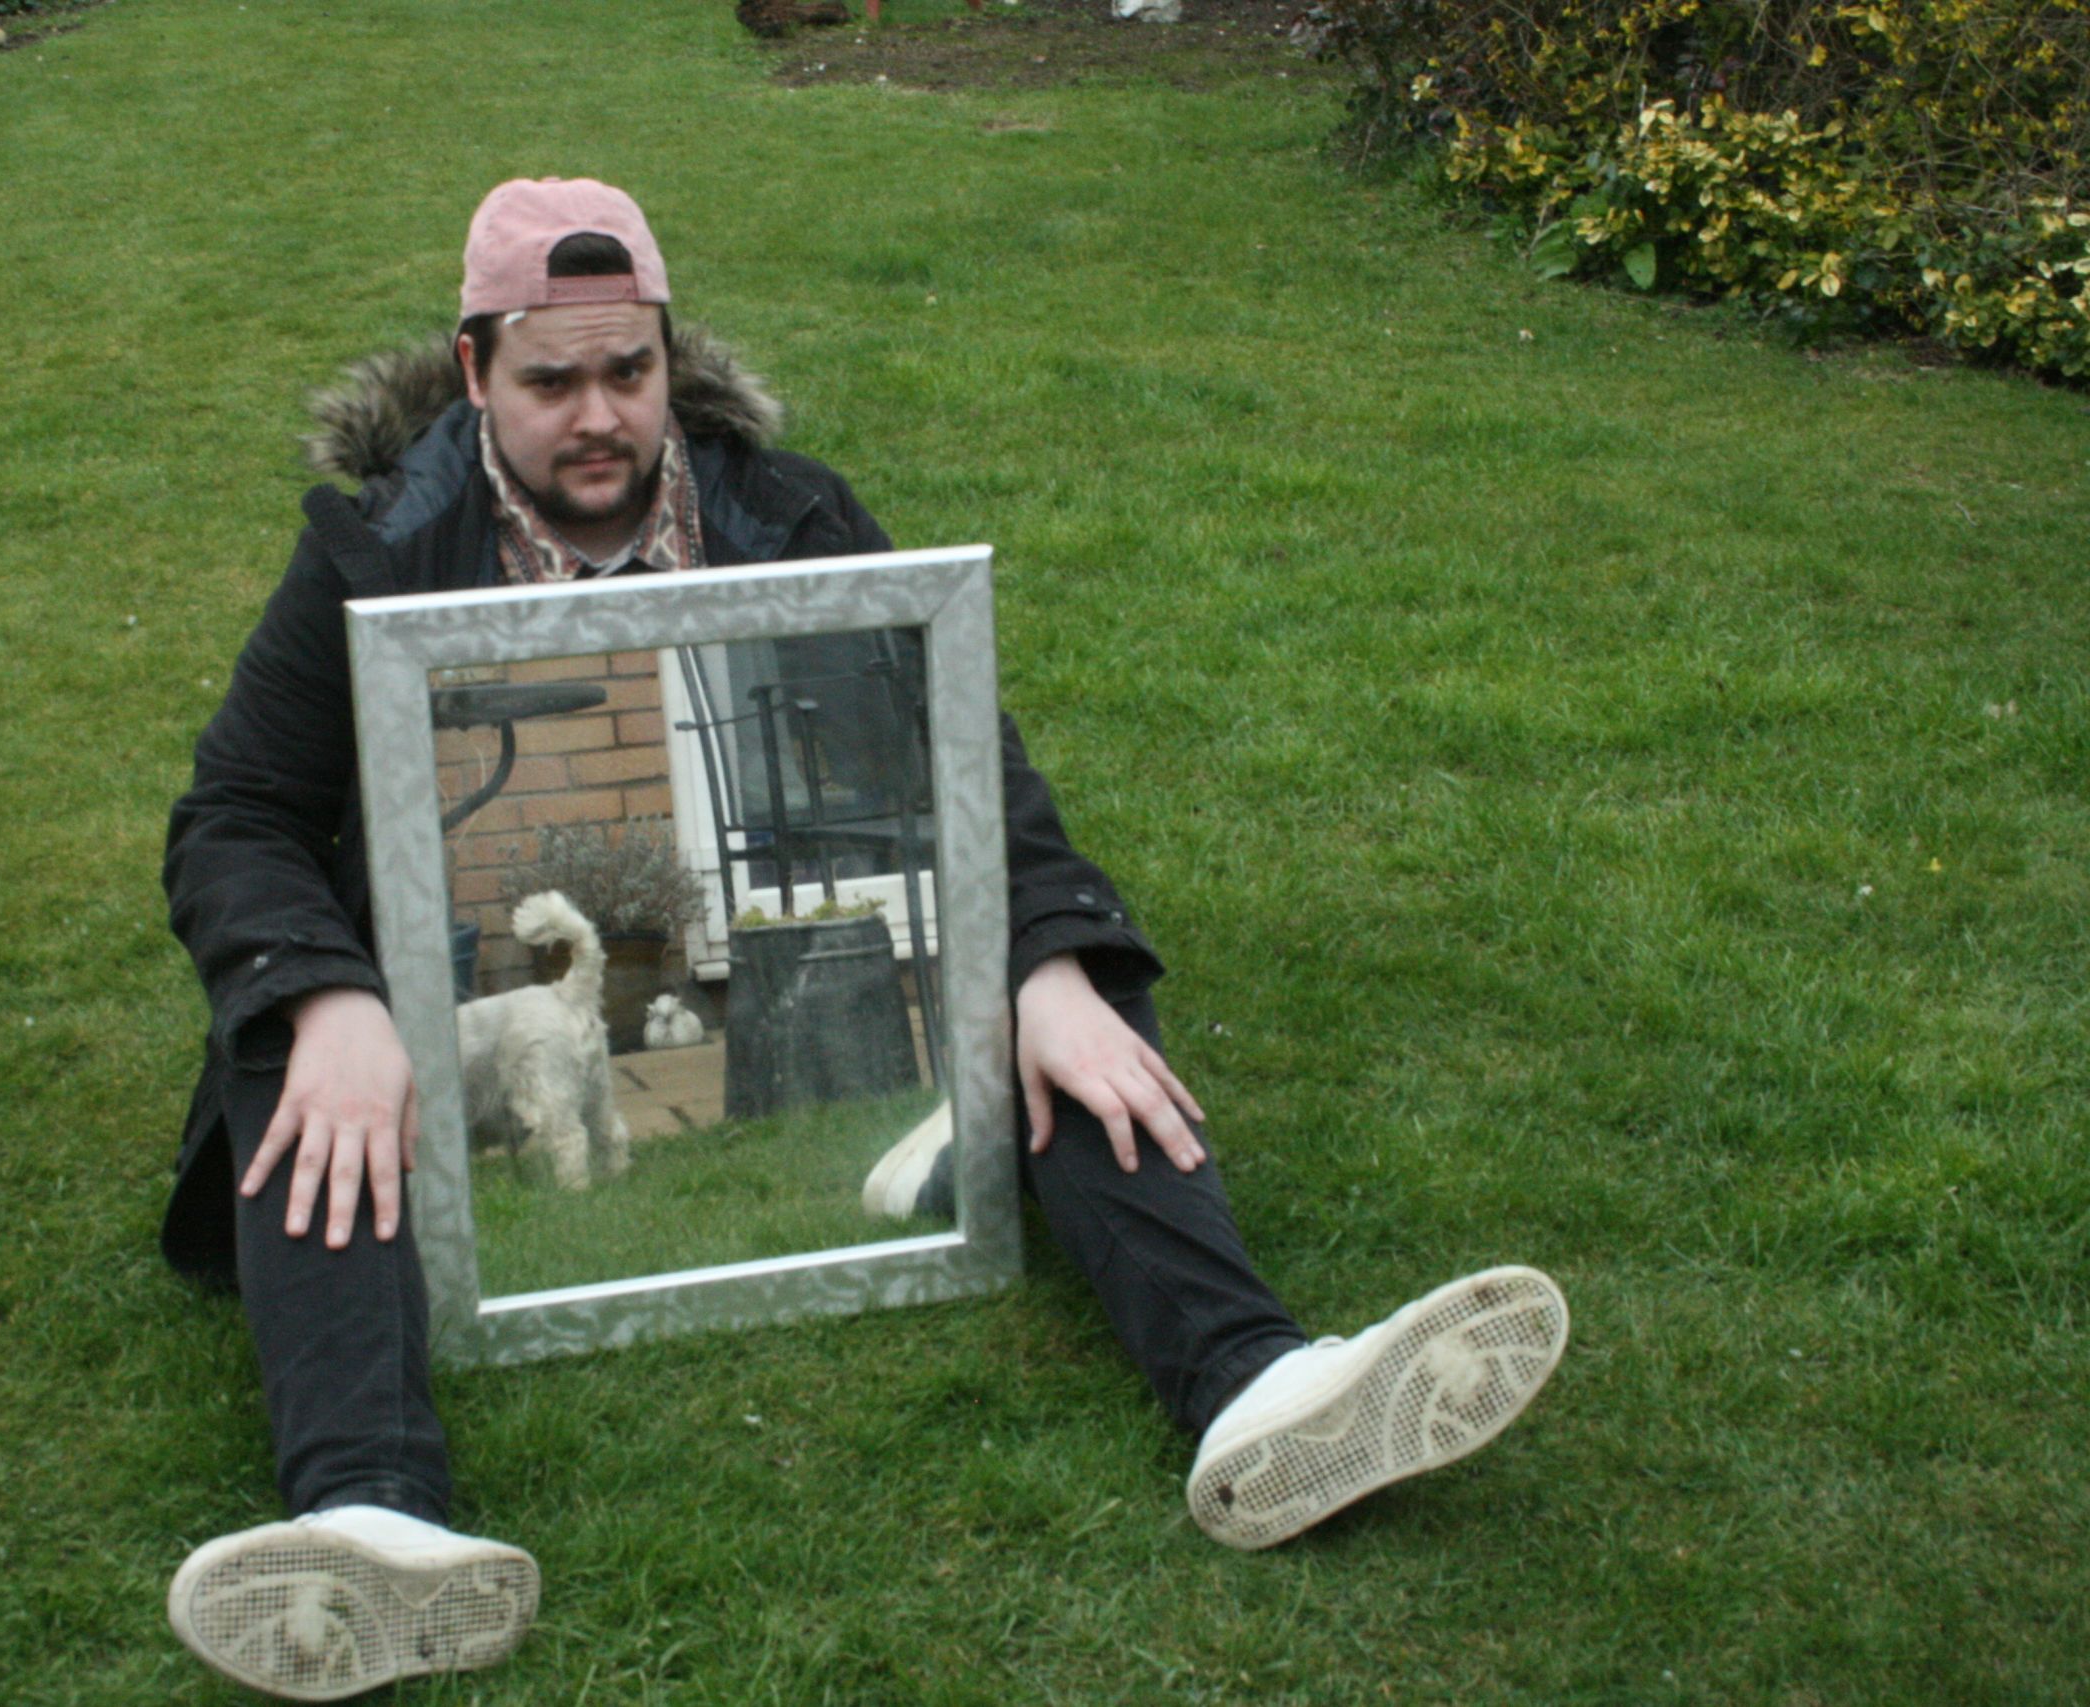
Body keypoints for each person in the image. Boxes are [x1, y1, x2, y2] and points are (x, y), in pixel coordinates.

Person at [159, 178, 1570, 1699]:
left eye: (627, 374)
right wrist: (325, 1004)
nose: (598, 418)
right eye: (549, 379)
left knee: (1062, 988)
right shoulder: (378, 549)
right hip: (449, 1009)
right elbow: (233, 812)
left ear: (667, 359)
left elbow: (971, 774)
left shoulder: (791, 514)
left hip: (806, 1026)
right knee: (294, 1050)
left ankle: (1254, 1384)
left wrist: (1042, 965)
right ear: (470, 373)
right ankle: (370, 1519)